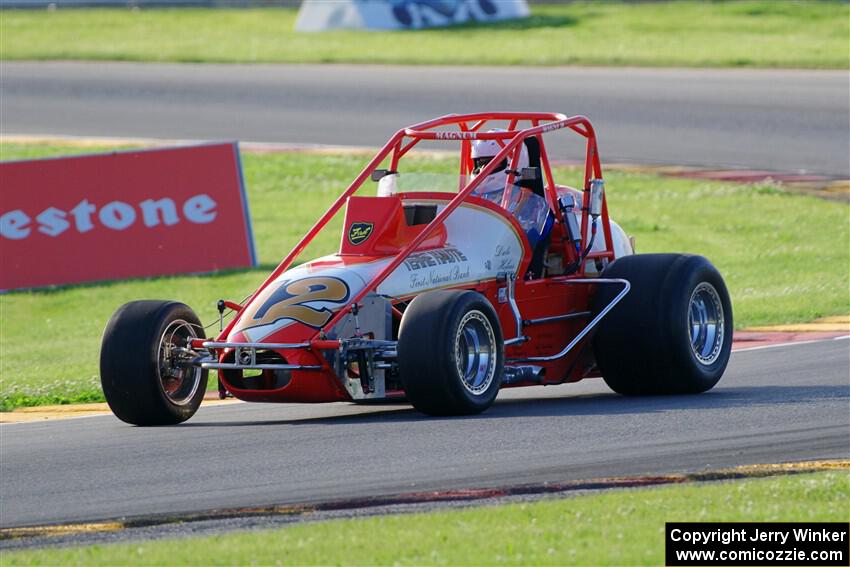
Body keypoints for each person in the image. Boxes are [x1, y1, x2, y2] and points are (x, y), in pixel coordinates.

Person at [470, 132, 552, 250]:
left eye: (491, 163)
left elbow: (529, 239)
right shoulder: (472, 194)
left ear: (513, 163)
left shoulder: (528, 199)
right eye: (480, 163)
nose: (483, 169)